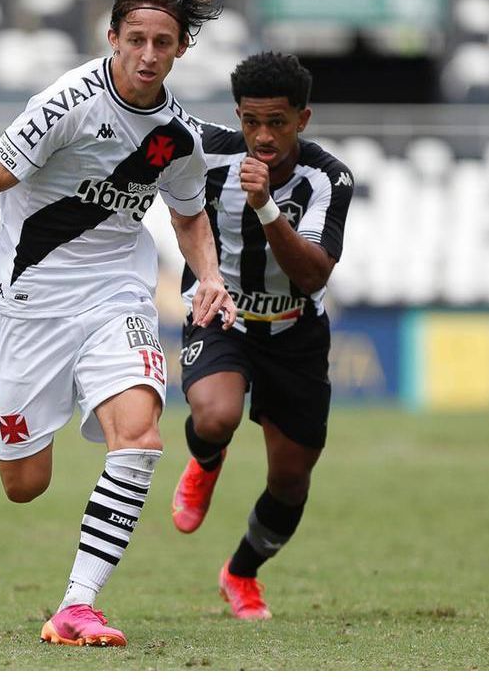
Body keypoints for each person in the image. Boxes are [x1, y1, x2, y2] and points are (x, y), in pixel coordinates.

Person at [0, 0, 235, 647]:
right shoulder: (68, 104)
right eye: (134, 38)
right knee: (24, 484)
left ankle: (78, 605)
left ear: (180, 50)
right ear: (112, 37)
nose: (146, 54)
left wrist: (210, 277)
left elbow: (188, 213)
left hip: (117, 293)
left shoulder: (174, 138)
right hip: (30, 302)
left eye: (161, 42)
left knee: (139, 435)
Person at [170, 52, 353, 620]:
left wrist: (265, 204)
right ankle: (206, 456)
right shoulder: (210, 149)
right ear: (238, 116)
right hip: (222, 312)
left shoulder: (328, 177)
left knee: (291, 481)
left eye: (277, 122)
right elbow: (150, 125)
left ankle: (241, 573)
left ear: (304, 118)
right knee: (214, 416)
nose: (263, 136)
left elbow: (313, 273)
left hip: (296, 333)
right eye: (251, 122)